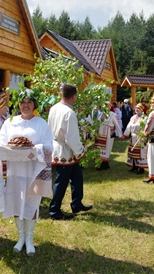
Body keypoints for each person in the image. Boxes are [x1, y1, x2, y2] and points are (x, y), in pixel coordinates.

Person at [0, 88, 53, 255]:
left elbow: (49, 147)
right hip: (14, 171)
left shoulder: (41, 124)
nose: (26, 105)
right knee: (16, 202)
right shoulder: (10, 122)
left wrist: (35, 148)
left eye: (29, 102)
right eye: (23, 102)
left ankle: (30, 239)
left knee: (31, 204)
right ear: (18, 104)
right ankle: (20, 237)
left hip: (33, 172)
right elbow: (1, 142)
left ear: (34, 104)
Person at [48, 84, 93, 221]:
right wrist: (80, 151)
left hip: (59, 146)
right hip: (66, 150)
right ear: (73, 96)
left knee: (77, 177)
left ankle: (76, 204)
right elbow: (71, 136)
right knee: (61, 182)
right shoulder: (69, 112)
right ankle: (54, 210)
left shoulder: (54, 108)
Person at [94, 101, 123, 170]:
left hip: (108, 133)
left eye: (107, 106)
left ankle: (104, 163)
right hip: (100, 133)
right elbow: (97, 123)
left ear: (110, 107)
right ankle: (102, 163)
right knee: (99, 147)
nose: (105, 107)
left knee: (107, 147)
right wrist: (95, 132)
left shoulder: (113, 115)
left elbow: (117, 125)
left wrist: (120, 134)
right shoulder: (100, 114)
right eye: (104, 106)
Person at [122, 102, 148, 175]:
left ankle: (141, 168)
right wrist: (125, 135)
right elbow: (128, 126)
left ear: (142, 110)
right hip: (133, 137)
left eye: (138, 108)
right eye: (136, 108)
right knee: (133, 152)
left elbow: (147, 127)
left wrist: (144, 133)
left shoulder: (145, 118)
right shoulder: (133, 117)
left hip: (140, 137)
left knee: (140, 152)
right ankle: (134, 166)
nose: (136, 109)